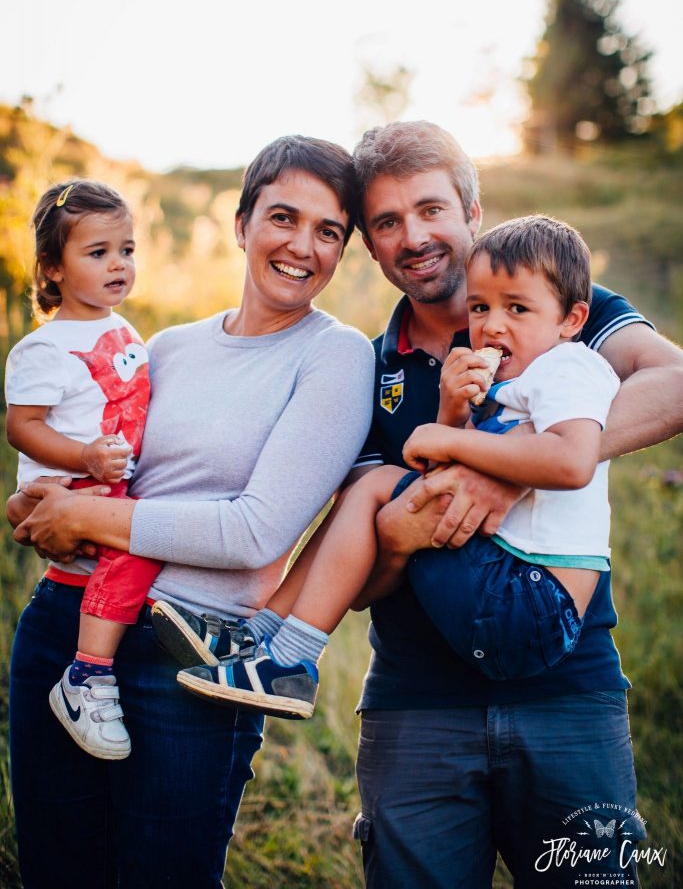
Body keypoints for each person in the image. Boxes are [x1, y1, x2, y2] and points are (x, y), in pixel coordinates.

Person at [7, 135, 375, 889]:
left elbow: (252, 533)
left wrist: (87, 519)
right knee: (55, 869)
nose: (301, 246)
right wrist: (41, 500)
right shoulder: (164, 347)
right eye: (282, 217)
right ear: (241, 225)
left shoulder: (334, 358)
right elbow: (87, 465)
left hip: (190, 660)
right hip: (63, 627)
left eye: (328, 231)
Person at [345, 122, 682, 888]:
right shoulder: (368, 371)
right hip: (415, 705)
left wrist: (513, 466)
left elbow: (675, 382)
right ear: (369, 245)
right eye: (387, 222)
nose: (415, 236)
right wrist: (395, 543)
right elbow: (361, 582)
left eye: (431, 209)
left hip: (569, 693)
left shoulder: (558, 303)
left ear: (472, 212)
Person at [158, 214, 621, 718]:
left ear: (573, 320)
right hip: (505, 586)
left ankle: (290, 657)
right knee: (370, 493)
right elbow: (442, 482)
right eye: (481, 307)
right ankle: (259, 636)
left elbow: (573, 462)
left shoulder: (569, 366)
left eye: (518, 309)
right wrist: (453, 411)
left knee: (379, 483)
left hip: (535, 603)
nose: (492, 325)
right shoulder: (508, 387)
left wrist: (444, 435)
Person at [5, 178, 158, 761]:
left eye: (127, 250)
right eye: (98, 253)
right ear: (52, 267)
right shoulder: (48, 347)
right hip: (66, 485)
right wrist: (85, 457)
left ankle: (93, 667)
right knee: (137, 547)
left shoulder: (122, 330)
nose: (118, 265)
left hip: (106, 481)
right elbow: (23, 426)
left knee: (131, 552)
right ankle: (87, 677)